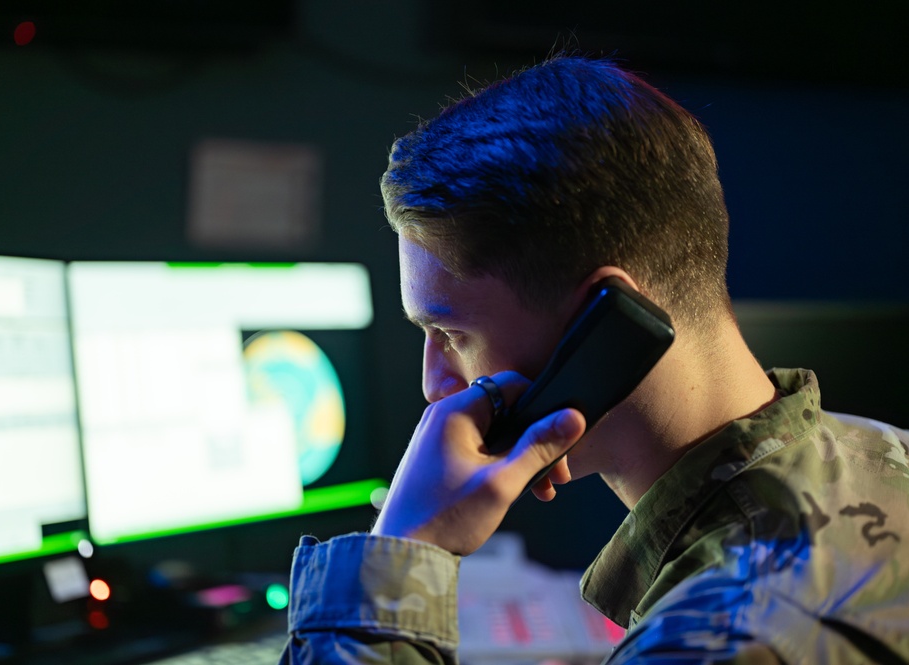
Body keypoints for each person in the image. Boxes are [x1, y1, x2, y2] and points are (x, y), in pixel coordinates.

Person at [280, 55, 909, 663]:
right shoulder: (887, 456)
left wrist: (401, 554)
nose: (435, 386)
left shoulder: (719, 639)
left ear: (604, 320)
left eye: (450, 332)